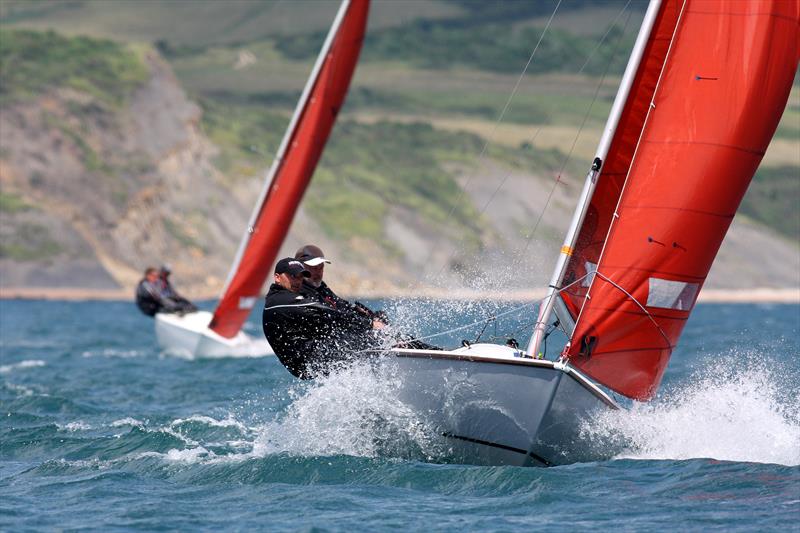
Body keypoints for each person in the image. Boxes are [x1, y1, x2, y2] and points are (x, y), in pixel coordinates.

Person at [263, 257, 386, 379]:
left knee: (351, 329)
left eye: (301, 277)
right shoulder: (283, 300)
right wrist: (369, 324)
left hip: (309, 356)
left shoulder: (278, 298)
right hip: (308, 361)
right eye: (293, 276)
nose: (298, 281)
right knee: (366, 336)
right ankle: (393, 347)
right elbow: (329, 313)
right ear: (277, 277)